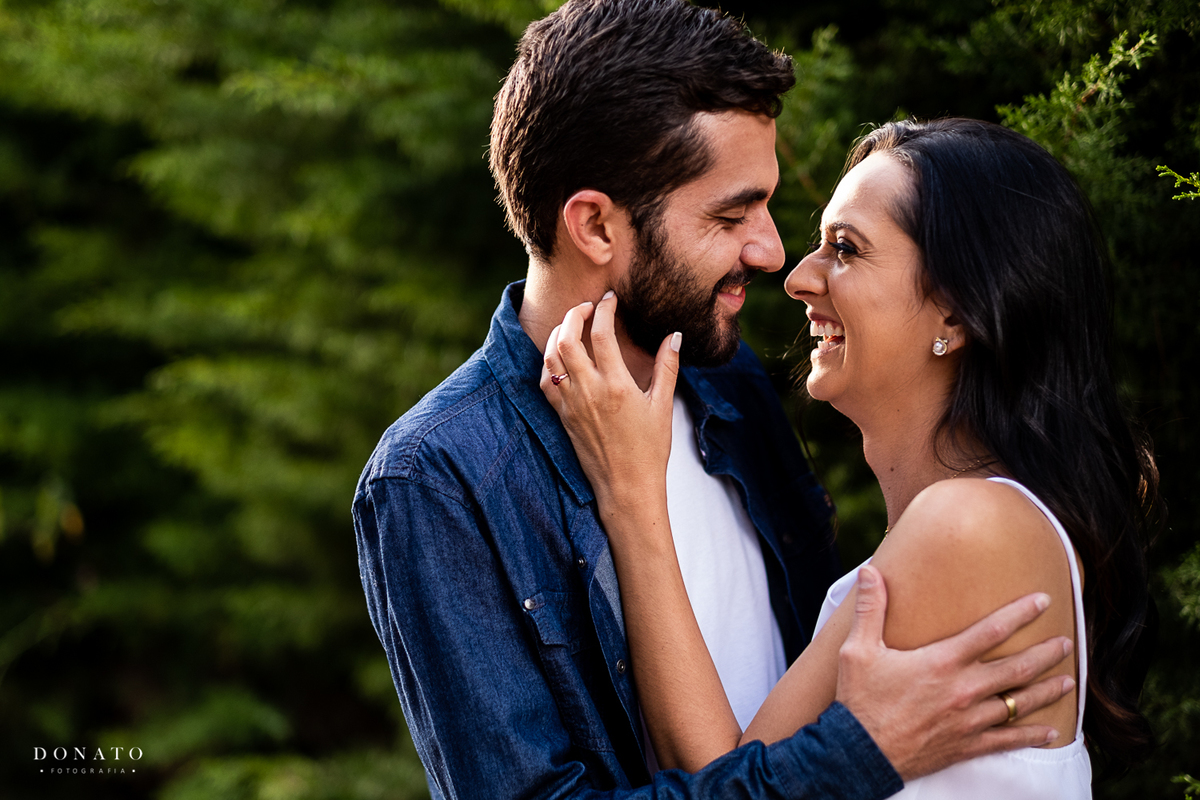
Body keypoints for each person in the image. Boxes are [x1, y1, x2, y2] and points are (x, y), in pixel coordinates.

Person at [353, 2, 1075, 797]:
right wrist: (861, 750)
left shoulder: (730, 389)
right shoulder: (443, 476)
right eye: (732, 214)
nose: (772, 253)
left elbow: (748, 733)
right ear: (596, 226)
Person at [540, 118, 1161, 796]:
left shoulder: (969, 528)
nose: (798, 276)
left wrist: (631, 492)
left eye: (846, 249)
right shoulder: (963, 528)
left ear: (954, 316)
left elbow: (723, 785)